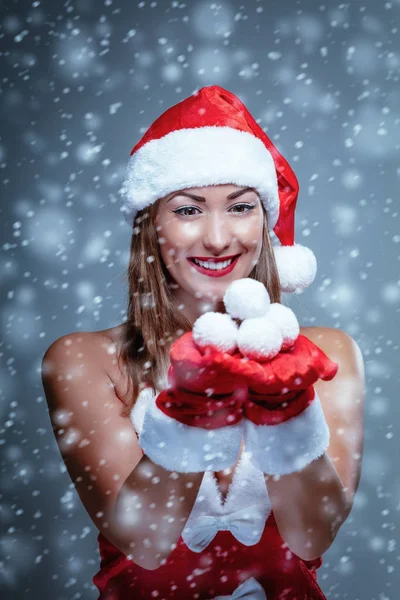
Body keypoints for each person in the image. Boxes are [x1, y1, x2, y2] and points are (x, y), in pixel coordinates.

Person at [41, 85, 365, 599]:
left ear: (264, 222)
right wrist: (198, 402)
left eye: (240, 208)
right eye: (189, 210)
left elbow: (311, 536)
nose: (217, 238)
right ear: (152, 226)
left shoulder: (327, 355)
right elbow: (144, 540)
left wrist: (284, 402)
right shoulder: (84, 360)